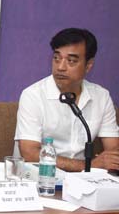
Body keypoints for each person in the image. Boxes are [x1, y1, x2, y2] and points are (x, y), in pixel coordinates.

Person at [14, 28, 119, 172]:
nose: (60, 67)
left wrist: (103, 164)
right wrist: (88, 166)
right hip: (40, 176)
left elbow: (113, 151)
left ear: (88, 65)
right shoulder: (33, 95)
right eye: (56, 58)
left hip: (83, 180)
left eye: (71, 61)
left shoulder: (101, 96)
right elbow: (30, 153)